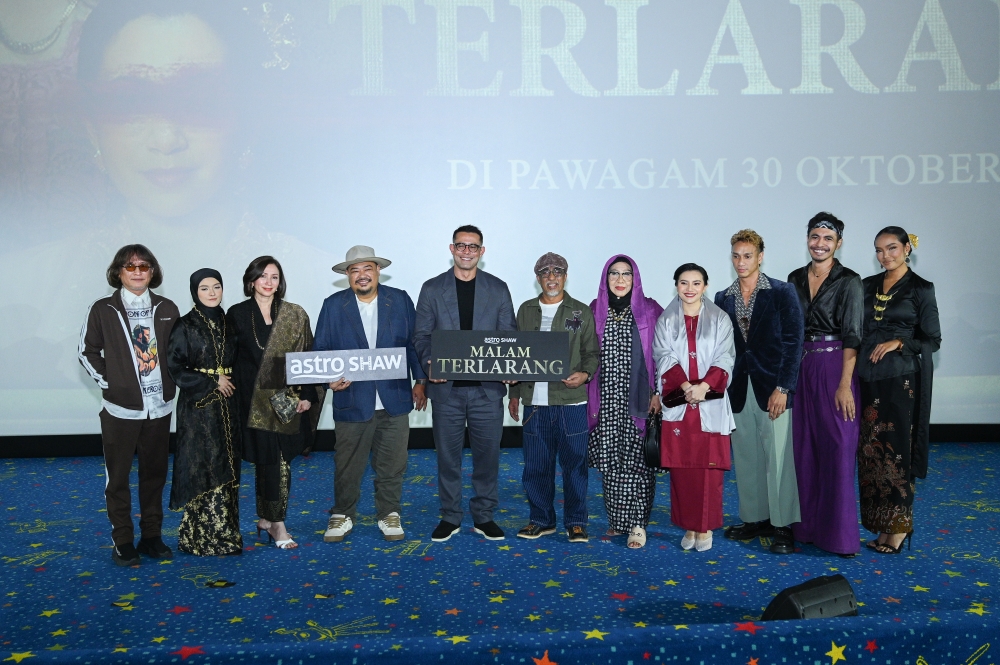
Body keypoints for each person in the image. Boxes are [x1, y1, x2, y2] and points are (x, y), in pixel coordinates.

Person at [314, 245, 428, 543]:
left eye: (367, 269)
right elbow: (321, 350)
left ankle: (389, 513)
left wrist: (421, 380)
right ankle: (342, 515)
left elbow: (414, 344)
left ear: (378, 271)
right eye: (355, 270)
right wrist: (329, 380)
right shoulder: (333, 305)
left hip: (395, 399)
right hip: (352, 401)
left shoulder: (400, 300)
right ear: (348, 276)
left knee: (393, 463)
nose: (362, 275)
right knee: (347, 465)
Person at [414, 225, 517, 542]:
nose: (467, 251)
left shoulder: (498, 289)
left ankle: (484, 516)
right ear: (451, 248)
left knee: (488, 458)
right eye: (461, 246)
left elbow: (509, 337)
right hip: (446, 392)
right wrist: (430, 363)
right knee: (448, 458)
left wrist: (511, 365)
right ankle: (450, 516)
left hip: (487, 391)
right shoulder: (432, 289)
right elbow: (421, 336)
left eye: (473, 247)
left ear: (482, 252)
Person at [78, 244, 179, 566]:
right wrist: (114, 384)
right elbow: (86, 351)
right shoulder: (103, 309)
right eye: (130, 266)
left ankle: (152, 536)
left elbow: (178, 354)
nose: (137, 272)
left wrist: (171, 383)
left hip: (159, 409)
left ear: (153, 272)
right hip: (121, 410)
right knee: (118, 479)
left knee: (154, 476)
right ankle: (122, 540)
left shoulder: (167, 307)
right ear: (118, 272)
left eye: (144, 266)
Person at [715, 230, 804, 555]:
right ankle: (755, 518)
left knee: (779, 459)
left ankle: (782, 525)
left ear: (760, 256)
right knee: (748, 457)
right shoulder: (723, 297)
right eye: (736, 256)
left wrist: (784, 387)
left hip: (774, 389)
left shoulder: (782, 292)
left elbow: (794, 343)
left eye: (747, 255)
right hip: (739, 389)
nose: (741, 262)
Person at [226, 256, 322, 550]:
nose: (268, 282)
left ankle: (270, 519)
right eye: (263, 276)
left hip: (287, 402)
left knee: (281, 461)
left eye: (275, 277)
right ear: (251, 280)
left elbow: (308, 358)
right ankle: (274, 522)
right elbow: (228, 359)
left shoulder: (295, 314)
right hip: (252, 403)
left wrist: (306, 396)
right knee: (268, 461)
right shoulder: (237, 314)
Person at [858, 227, 941, 554]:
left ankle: (898, 530)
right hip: (867, 380)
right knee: (870, 456)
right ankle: (880, 526)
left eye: (892, 248)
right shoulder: (866, 286)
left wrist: (900, 342)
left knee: (896, 458)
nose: (885, 256)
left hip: (901, 383)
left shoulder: (921, 288)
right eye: (879, 250)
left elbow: (932, 340)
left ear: (907, 248)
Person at [507, 252, 599, 543]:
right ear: (537, 278)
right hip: (535, 402)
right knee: (536, 466)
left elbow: (592, 354)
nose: (551, 276)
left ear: (565, 276)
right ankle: (541, 519)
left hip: (570, 402)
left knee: (574, 466)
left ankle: (576, 521)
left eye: (557, 271)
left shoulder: (580, 312)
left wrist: (585, 374)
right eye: (545, 272)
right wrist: (514, 393)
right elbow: (514, 354)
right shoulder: (525, 311)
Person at [787, 213, 864, 557]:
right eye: (815, 237)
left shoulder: (850, 281)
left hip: (835, 367)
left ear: (839, 243)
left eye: (828, 239)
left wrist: (845, 384)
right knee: (803, 451)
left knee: (837, 449)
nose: (820, 243)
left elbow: (853, 336)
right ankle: (806, 529)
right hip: (802, 367)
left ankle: (840, 537)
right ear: (807, 239)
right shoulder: (793, 278)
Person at [654, 264, 735, 553]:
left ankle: (706, 527)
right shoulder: (665, 320)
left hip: (709, 402)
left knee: (708, 470)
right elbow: (662, 355)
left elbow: (726, 356)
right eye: (684, 283)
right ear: (676, 285)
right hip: (681, 402)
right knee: (683, 471)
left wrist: (705, 386)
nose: (690, 288)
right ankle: (689, 525)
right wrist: (686, 386)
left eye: (696, 283)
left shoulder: (720, 318)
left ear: (705, 285)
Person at [587, 255, 663, 549]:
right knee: (611, 461)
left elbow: (664, 354)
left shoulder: (651, 310)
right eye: (614, 274)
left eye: (626, 274)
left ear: (636, 279)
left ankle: (637, 524)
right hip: (605, 400)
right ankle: (618, 521)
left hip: (639, 399)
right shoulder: (595, 310)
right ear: (606, 279)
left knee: (639, 462)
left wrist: (658, 391)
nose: (620, 280)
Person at [166, 268, 242, 556]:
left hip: (229, 407)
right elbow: (176, 367)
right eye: (204, 288)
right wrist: (212, 381)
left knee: (229, 466)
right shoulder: (184, 325)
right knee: (203, 466)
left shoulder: (230, 323)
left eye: (217, 287)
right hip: (198, 409)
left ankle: (227, 536)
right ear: (194, 292)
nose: (212, 293)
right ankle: (201, 538)